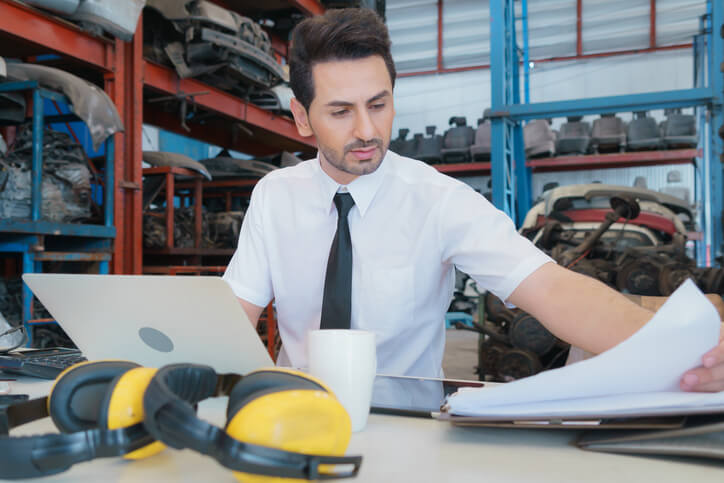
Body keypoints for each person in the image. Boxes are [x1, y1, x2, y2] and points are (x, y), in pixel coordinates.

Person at [223, 8, 724, 392]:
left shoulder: (439, 201)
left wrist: (686, 347)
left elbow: (552, 289)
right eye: (340, 111)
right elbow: (231, 317)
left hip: (406, 425)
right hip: (295, 415)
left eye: (379, 104)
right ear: (302, 117)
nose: (367, 130)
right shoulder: (275, 197)